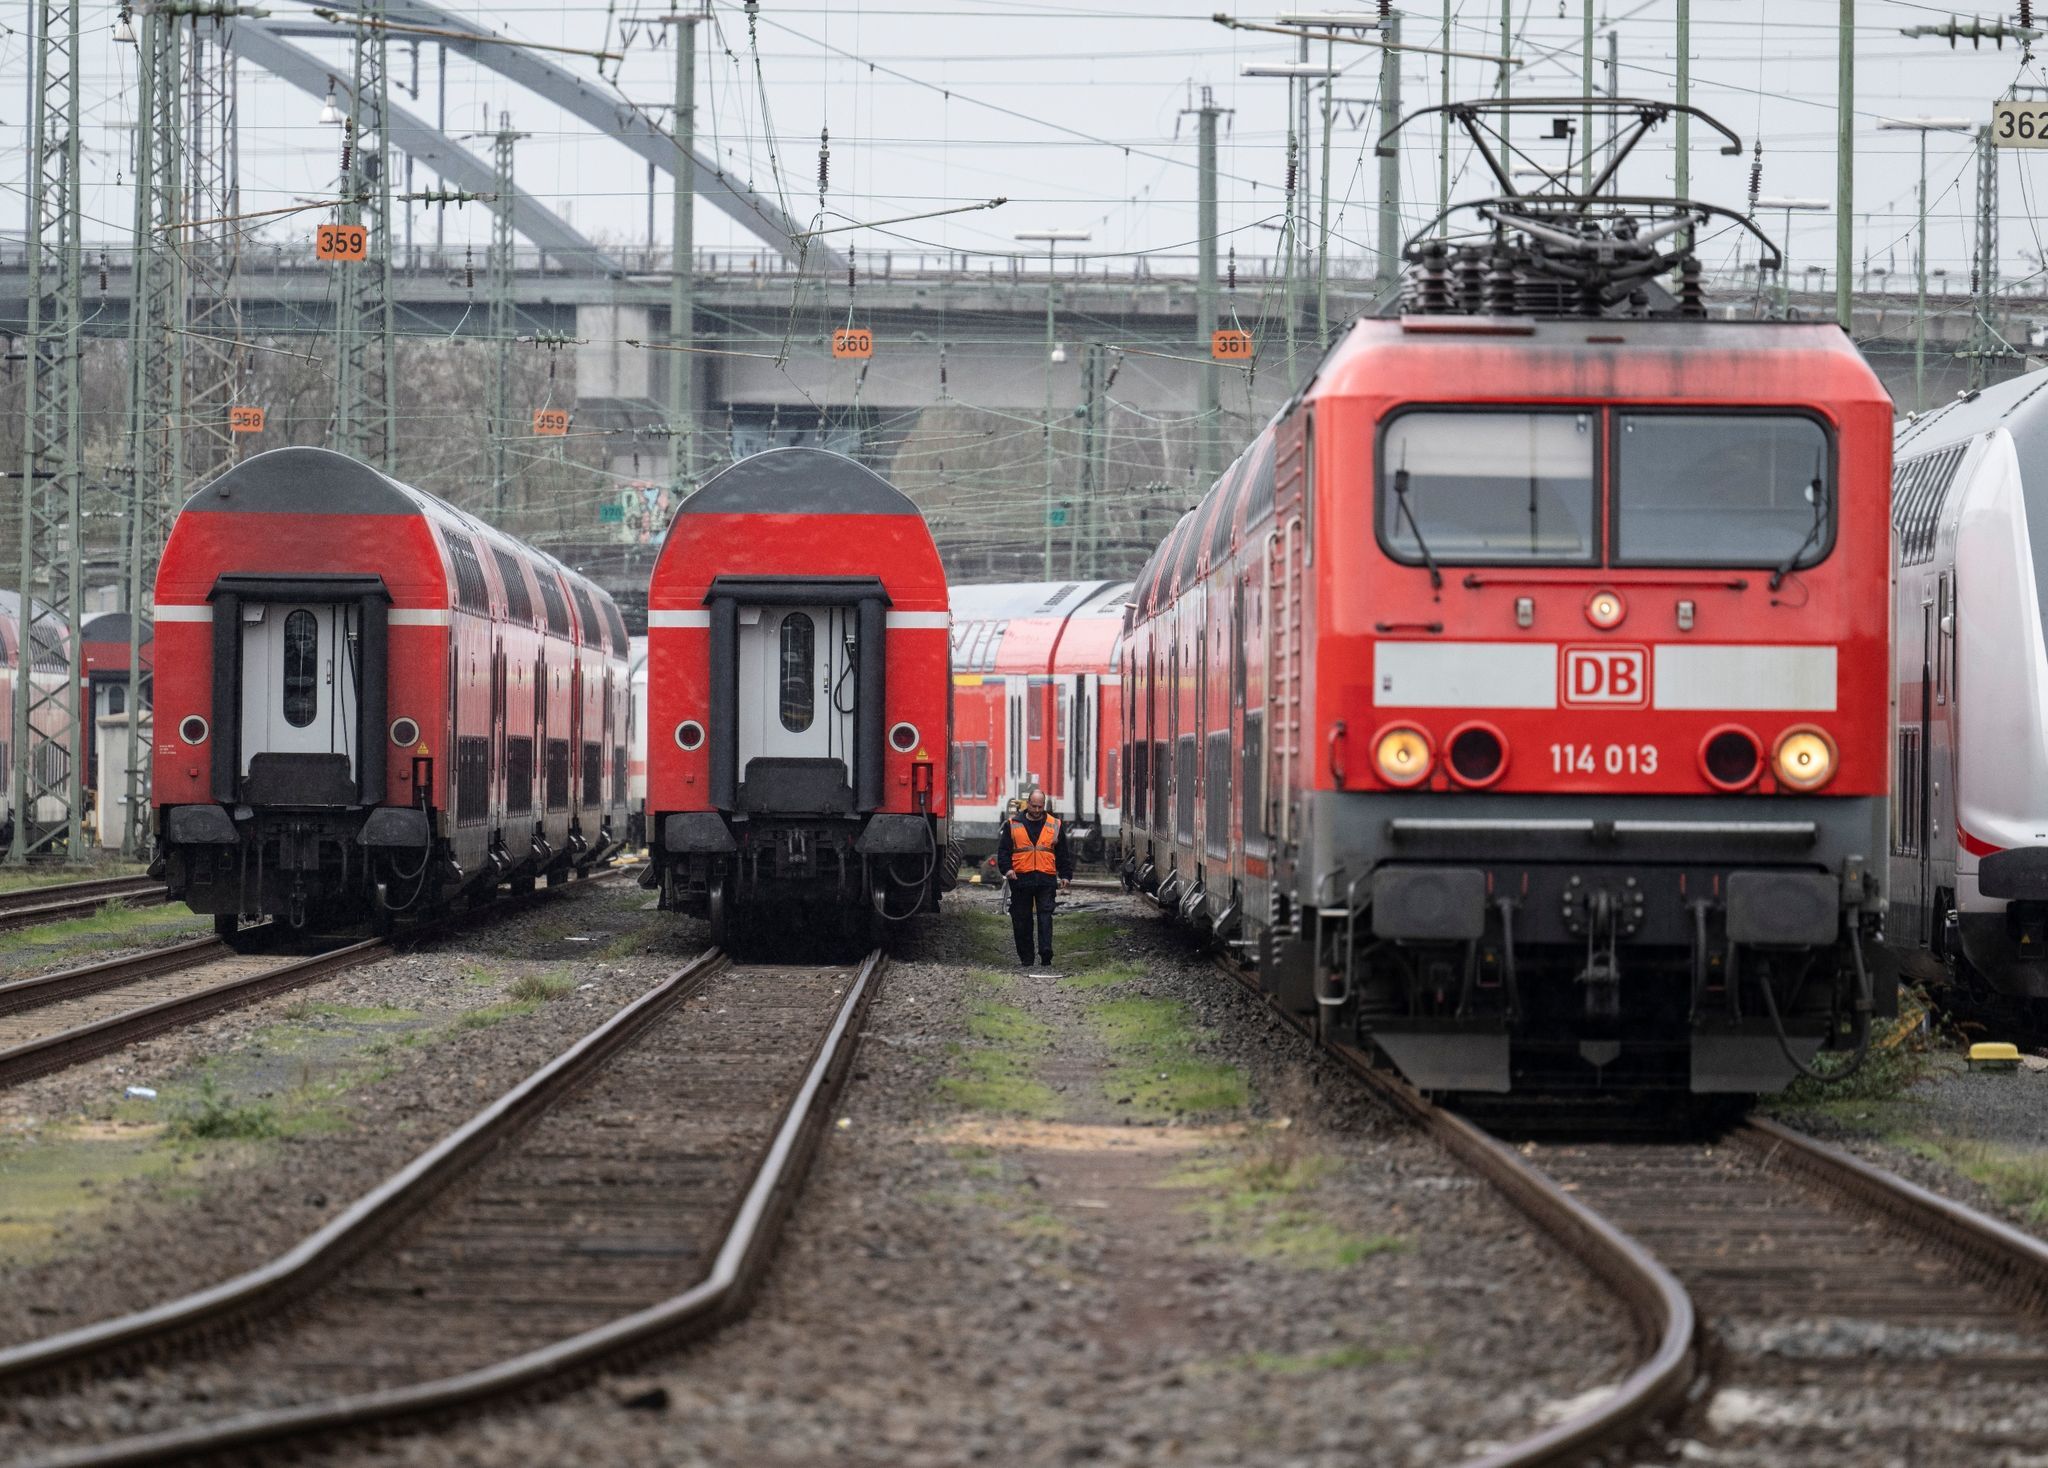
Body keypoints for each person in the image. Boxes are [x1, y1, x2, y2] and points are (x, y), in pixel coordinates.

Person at [996, 787, 1072, 969]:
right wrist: (1007, 870)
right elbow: (1004, 851)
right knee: (1021, 919)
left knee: (1045, 916)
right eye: (1034, 806)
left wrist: (1065, 875)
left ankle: (1046, 954)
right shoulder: (1012, 824)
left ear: (1043, 805)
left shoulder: (1055, 825)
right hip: (1021, 879)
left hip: (1045, 878)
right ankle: (1026, 958)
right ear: (1028, 804)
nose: (1037, 810)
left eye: (1040, 807)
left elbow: (1062, 853)